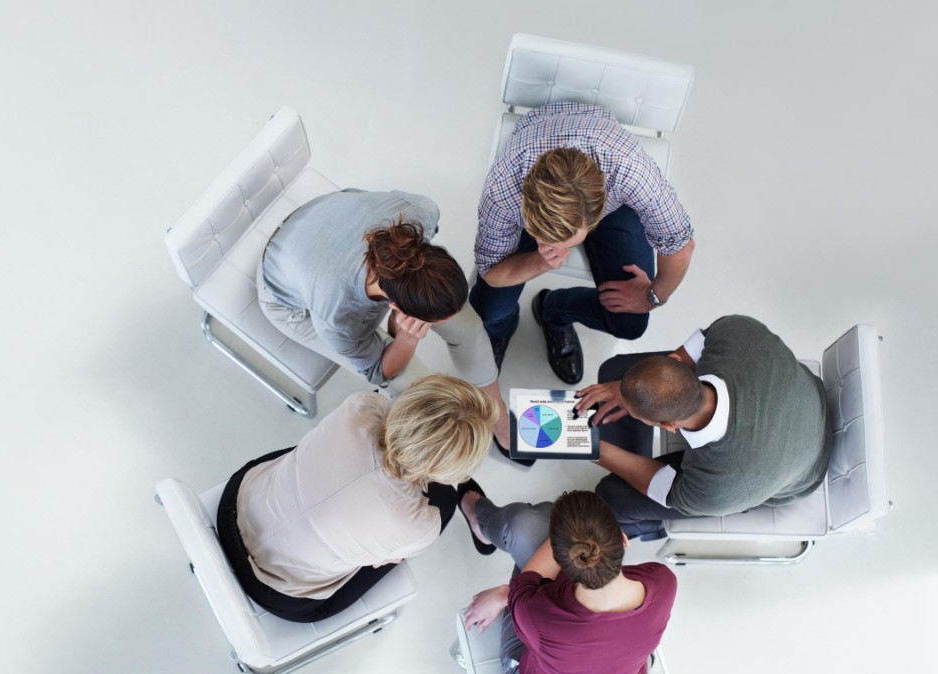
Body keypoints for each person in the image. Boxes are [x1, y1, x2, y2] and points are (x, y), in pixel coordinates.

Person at [217, 374, 498, 622]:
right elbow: (378, 561)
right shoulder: (419, 528)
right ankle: (459, 497)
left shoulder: (362, 406)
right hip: (277, 592)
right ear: (449, 468)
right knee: (445, 500)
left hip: (235, 508)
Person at [258, 189, 513, 454]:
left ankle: (499, 418)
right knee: (413, 385)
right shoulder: (338, 319)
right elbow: (380, 371)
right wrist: (406, 338)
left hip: (321, 217)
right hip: (285, 295)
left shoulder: (421, 210)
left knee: (468, 327)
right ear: (397, 307)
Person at [470, 101, 696, 385]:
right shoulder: (503, 187)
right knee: (488, 309)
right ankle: (502, 327)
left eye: (569, 242)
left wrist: (653, 295)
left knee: (631, 323)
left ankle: (553, 311)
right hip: (533, 147)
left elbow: (681, 245)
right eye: (546, 237)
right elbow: (491, 269)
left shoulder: (629, 170)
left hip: (608, 182)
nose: (562, 251)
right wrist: (539, 261)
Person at [573, 315, 832, 540]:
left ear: (668, 425)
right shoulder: (736, 330)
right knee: (615, 371)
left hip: (801, 468)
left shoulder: (720, 485)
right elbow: (686, 354)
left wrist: (594, 450)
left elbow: (670, 490)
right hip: (805, 397)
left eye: (636, 415)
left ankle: (649, 528)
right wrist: (630, 389)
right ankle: (630, 431)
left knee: (612, 496)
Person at [461, 489, 677, 674]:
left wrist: (505, 593)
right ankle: (491, 522)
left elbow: (525, 584)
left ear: (560, 560)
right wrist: (504, 594)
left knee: (525, 523)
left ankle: (481, 521)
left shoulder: (538, 614)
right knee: (535, 518)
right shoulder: (664, 582)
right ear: (623, 539)